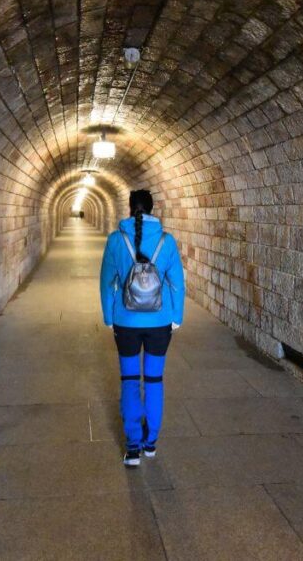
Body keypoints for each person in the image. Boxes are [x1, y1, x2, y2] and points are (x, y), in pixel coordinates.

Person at [99, 189, 185, 467]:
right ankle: (151, 444)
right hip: (160, 323)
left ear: (129, 208)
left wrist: (109, 316)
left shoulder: (115, 240)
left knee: (129, 381)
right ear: (152, 209)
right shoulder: (166, 241)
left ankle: (133, 447)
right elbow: (177, 282)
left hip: (126, 323)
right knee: (154, 381)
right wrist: (176, 316)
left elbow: (106, 282)